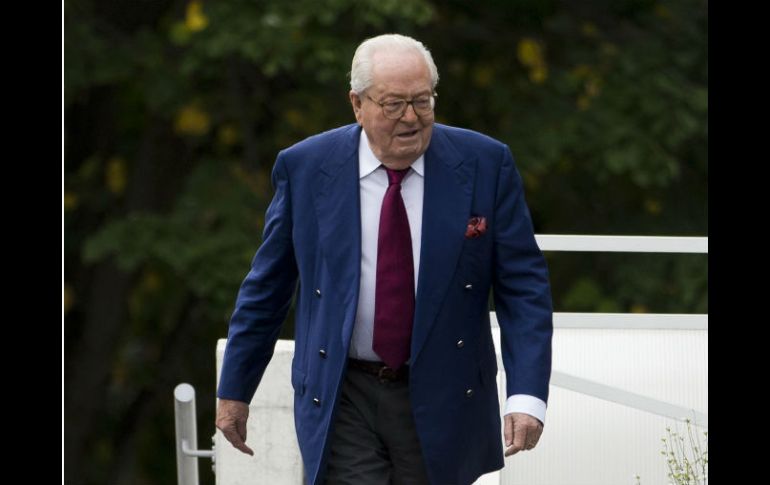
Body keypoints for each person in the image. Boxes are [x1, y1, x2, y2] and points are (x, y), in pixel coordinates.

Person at [216, 33, 553, 485]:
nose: (411, 118)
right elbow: (267, 287)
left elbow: (524, 287)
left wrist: (526, 396)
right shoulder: (306, 168)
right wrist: (235, 389)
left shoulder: (485, 164)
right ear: (357, 104)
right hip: (343, 392)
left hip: (444, 391)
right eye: (394, 104)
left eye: (422, 101)